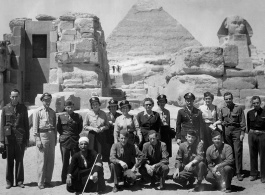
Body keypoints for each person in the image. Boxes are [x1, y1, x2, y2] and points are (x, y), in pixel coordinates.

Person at [0, 89, 29, 189]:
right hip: (9, 138)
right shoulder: (5, 108)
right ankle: (9, 182)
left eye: (16, 96)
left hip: (20, 138)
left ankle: (20, 181)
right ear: (10, 97)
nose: (14, 98)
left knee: (20, 160)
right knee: (10, 161)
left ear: (19, 97)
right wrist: (2, 141)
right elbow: (2, 125)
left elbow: (26, 124)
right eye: (13, 96)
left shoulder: (23, 108)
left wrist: (27, 139)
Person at [218, 92, 245, 181]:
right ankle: (231, 170)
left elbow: (242, 122)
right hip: (226, 131)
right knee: (229, 151)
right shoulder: (222, 109)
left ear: (232, 98)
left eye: (230, 98)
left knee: (237, 151)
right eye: (226, 99)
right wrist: (223, 124)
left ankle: (238, 172)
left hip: (236, 130)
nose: (228, 100)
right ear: (224, 100)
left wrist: (242, 133)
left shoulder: (239, 108)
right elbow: (220, 120)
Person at [33, 93, 57, 189]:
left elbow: (54, 126)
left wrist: (55, 138)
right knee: (42, 160)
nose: (47, 102)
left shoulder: (52, 112)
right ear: (42, 101)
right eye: (45, 100)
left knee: (50, 160)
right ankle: (40, 182)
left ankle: (48, 180)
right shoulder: (38, 112)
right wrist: (37, 140)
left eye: (49, 100)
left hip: (51, 135)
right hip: (42, 136)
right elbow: (35, 128)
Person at [57, 100, 83, 184]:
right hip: (64, 141)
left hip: (75, 141)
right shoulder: (61, 117)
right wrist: (65, 135)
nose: (70, 109)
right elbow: (59, 129)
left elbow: (79, 129)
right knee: (65, 161)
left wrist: (74, 136)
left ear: (73, 107)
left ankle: (75, 177)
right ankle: (64, 179)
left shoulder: (78, 117)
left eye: (71, 107)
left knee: (75, 160)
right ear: (65, 107)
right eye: (68, 107)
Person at [83, 97, 109, 162]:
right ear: (91, 106)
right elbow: (85, 126)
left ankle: (100, 168)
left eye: (96, 104)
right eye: (93, 104)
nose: (95, 106)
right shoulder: (88, 114)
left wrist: (103, 127)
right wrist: (93, 128)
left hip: (101, 135)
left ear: (99, 104)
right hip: (92, 135)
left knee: (100, 154)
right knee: (91, 153)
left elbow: (107, 125)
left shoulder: (103, 113)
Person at [246, 96, 265, 183]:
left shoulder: (264, 112)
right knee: (252, 154)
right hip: (252, 134)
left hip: (262, 134)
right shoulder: (249, 113)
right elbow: (248, 125)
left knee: (263, 155)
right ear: (252, 104)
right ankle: (254, 174)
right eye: (254, 103)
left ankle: (263, 175)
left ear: (260, 103)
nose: (256, 105)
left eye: (257, 103)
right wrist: (250, 133)